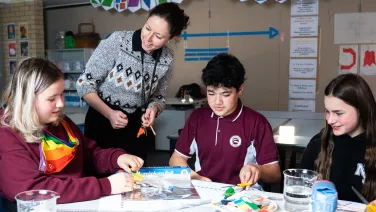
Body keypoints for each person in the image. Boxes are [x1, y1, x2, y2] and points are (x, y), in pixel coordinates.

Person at [0, 58, 144, 210]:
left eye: (61, 94)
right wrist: (105, 186)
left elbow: (90, 153)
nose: (61, 104)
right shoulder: (7, 135)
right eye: (51, 98)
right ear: (26, 100)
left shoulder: (61, 122)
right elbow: (32, 189)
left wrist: (116, 158)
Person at [76, 2, 190, 162]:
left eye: (158, 36)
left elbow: (159, 97)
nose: (148, 39)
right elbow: (84, 84)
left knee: (135, 176)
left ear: (172, 37)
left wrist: (153, 109)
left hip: (134, 124)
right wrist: (109, 114)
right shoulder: (118, 41)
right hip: (101, 118)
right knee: (101, 174)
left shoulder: (167, 58)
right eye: (147, 28)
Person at [169, 53, 281, 189]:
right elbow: (176, 158)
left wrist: (257, 169)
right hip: (205, 190)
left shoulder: (256, 122)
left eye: (225, 94)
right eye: (211, 93)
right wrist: (191, 175)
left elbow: (275, 173)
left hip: (242, 195)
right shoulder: (197, 118)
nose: (217, 102)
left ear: (240, 90)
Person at [300, 73, 376, 203]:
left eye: (338, 113)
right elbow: (301, 186)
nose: (330, 120)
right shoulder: (318, 143)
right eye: (327, 112)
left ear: (361, 109)